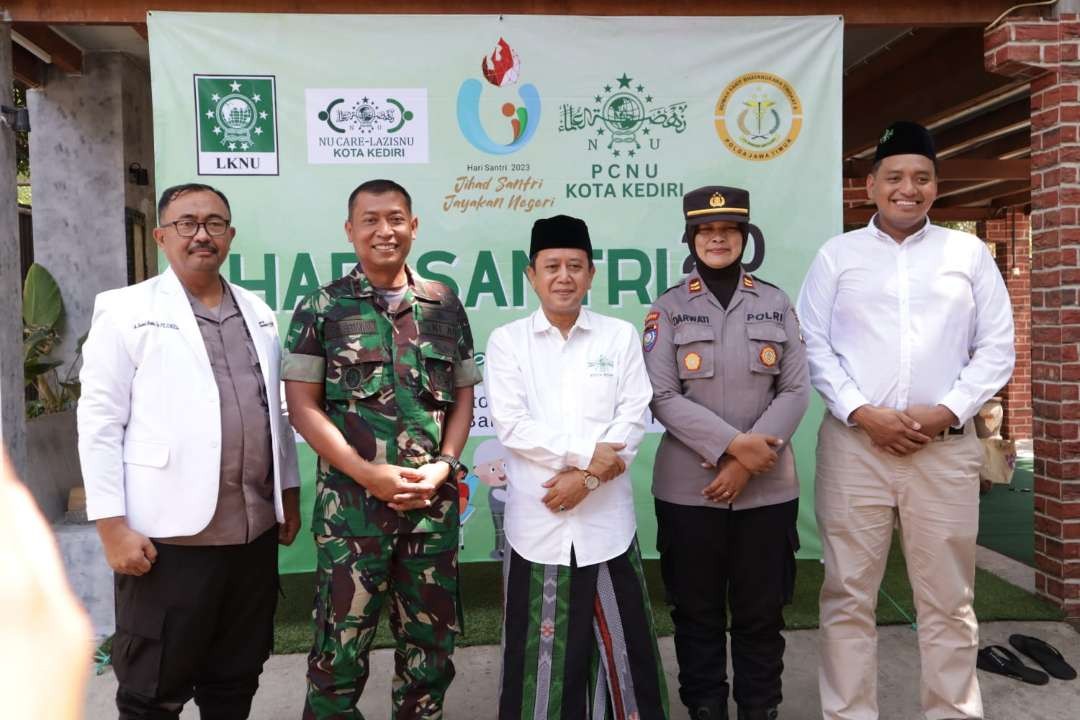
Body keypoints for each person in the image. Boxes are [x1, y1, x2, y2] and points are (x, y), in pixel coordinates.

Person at [796, 121, 1015, 720]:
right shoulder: (837, 256)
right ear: (871, 185)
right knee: (846, 597)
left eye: (921, 178)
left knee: (949, 600)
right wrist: (864, 413)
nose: (907, 189)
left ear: (936, 188)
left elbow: (997, 347)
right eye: (894, 177)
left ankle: (951, 711)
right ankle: (849, 714)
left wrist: (947, 410)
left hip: (943, 452)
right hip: (854, 450)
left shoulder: (966, 254)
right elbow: (812, 344)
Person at [77, 183, 302, 719]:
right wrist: (111, 525)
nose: (202, 234)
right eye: (186, 223)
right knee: (152, 686)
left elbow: (277, 411)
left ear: (230, 235)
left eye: (214, 223)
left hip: (251, 533)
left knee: (235, 677)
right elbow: (99, 422)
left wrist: (287, 495)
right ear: (161, 236)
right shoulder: (125, 309)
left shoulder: (258, 310)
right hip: (168, 537)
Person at [283, 179, 480, 720]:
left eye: (395, 218)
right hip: (352, 515)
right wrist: (366, 474)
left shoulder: (443, 303)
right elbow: (303, 406)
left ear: (413, 227)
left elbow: (462, 397)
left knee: (431, 656)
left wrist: (446, 465)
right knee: (338, 657)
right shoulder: (322, 306)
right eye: (369, 220)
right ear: (350, 230)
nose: (383, 230)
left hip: (429, 512)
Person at [485, 214, 669, 720]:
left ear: (591, 274)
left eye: (574, 266)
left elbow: (632, 419)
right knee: (538, 662)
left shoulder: (619, 336)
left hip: (607, 522)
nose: (563, 276)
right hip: (537, 525)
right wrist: (586, 457)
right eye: (551, 266)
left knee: (625, 651)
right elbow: (513, 426)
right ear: (531, 275)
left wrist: (585, 480)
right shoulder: (508, 341)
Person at [643, 186, 809, 720]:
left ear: (745, 237)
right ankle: (705, 708)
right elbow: (662, 396)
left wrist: (744, 463)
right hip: (690, 492)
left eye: (729, 230)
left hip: (767, 490)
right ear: (691, 239)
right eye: (706, 231)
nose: (718, 238)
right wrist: (733, 448)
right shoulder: (667, 308)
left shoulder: (777, 302)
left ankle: (760, 709)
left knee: (762, 615)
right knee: (696, 614)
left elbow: (796, 390)